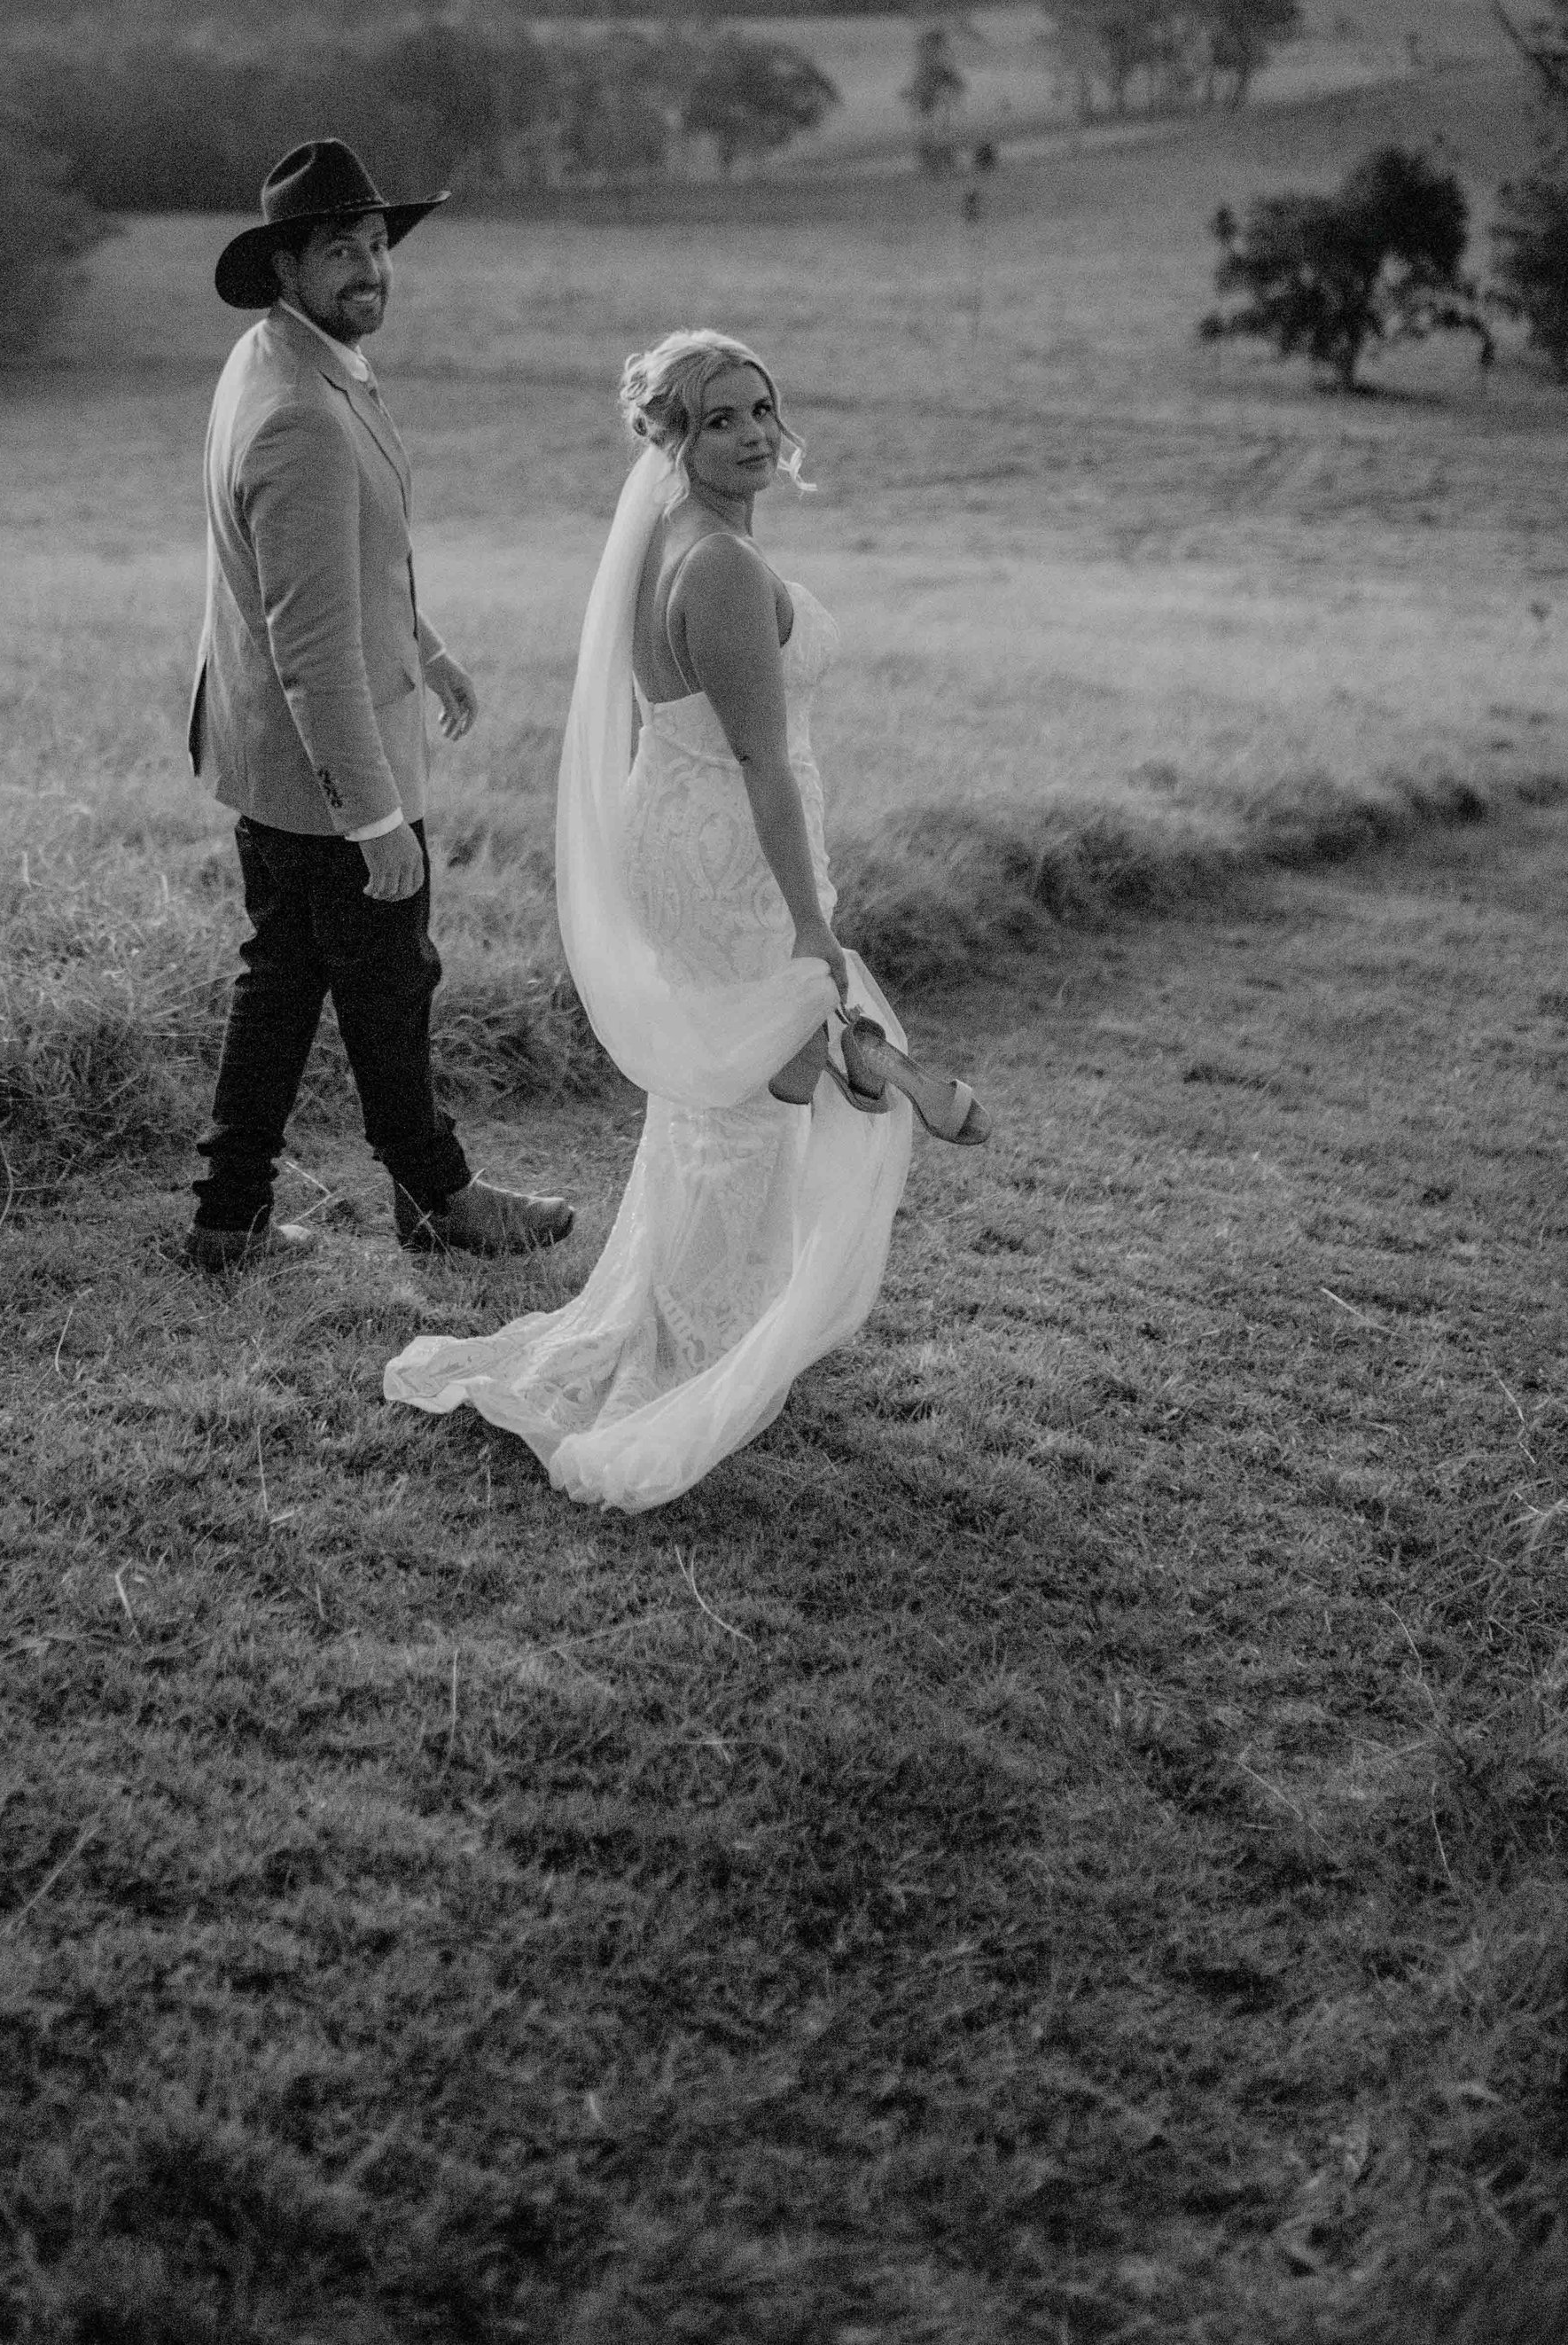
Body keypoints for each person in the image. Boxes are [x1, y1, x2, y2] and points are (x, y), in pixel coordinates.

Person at [385, 329, 987, 1509]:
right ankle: (705, 1342)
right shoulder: (712, 563)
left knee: (721, 1093)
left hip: (688, 824)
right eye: (720, 418)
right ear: (670, 435)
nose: (755, 432)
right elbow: (762, 760)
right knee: (748, 1101)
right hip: (731, 849)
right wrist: (812, 924)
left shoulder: (678, 536)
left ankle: (708, 1314)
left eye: (764, 407)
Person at [185, 138, 576, 1276]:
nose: (370, 270)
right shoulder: (300, 411)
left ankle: (228, 1217)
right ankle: (439, 1196)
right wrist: (372, 820)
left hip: (273, 755)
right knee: (389, 985)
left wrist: (429, 645)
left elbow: (348, 564)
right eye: (340, 252)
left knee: (285, 984)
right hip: (325, 772)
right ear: (284, 267)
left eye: (375, 247)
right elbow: (308, 638)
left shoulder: (283, 361)